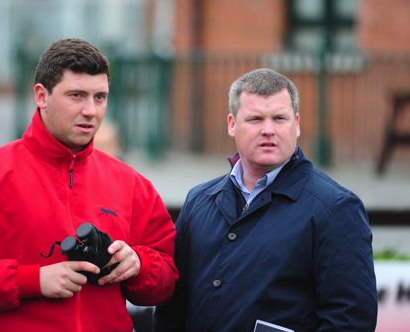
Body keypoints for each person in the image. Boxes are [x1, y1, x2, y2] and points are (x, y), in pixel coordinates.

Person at [0, 38, 178, 332]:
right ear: (41, 96)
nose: (91, 111)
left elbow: (167, 281)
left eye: (100, 97)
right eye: (76, 96)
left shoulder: (132, 184)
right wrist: (32, 281)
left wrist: (139, 265)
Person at [154, 68, 378, 331]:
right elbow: (173, 307)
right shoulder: (199, 201)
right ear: (231, 124)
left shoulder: (335, 208)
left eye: (279, 118)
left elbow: (351, 320)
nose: (268, 130)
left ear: (296, 124)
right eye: (256, 119)